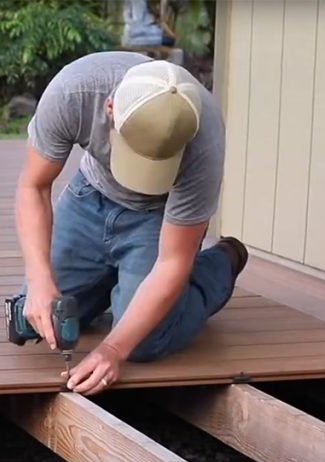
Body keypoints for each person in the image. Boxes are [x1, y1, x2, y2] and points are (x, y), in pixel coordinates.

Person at [15, 51, 247, 396]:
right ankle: (120, 282)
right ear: (110, 108)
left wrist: (112, 349)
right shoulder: (74, 92)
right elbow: (33, 187)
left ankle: (220, 264)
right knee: (34, 316)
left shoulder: (204, 143)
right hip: (90, 196)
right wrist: (38, 280)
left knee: (144, 343)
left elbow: (172, 262)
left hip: (159, 219)